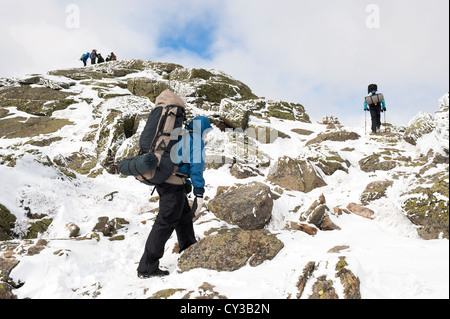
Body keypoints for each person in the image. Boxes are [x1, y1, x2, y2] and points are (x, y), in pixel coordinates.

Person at [137, 91, 212, 279]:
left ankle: (188, 247)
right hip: (172, 183)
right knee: (165, 223)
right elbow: (196, 168)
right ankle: (146, 268)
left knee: (183, 216)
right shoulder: (195, 139)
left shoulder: (179, 132)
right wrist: (199, 193)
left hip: (167, 181)